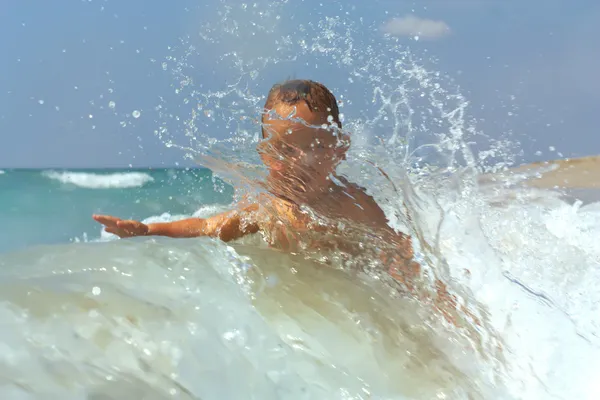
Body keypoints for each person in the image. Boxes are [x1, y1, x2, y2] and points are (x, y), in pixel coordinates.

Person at [93, 79, 420, 289]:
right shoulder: (268, 209)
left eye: (316, 146)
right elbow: (209, 226)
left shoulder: (354, 204)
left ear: (340, 149)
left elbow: (399, 255)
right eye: (285, 149)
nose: (299, 161)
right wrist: (151, 231)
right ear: (265, 154)